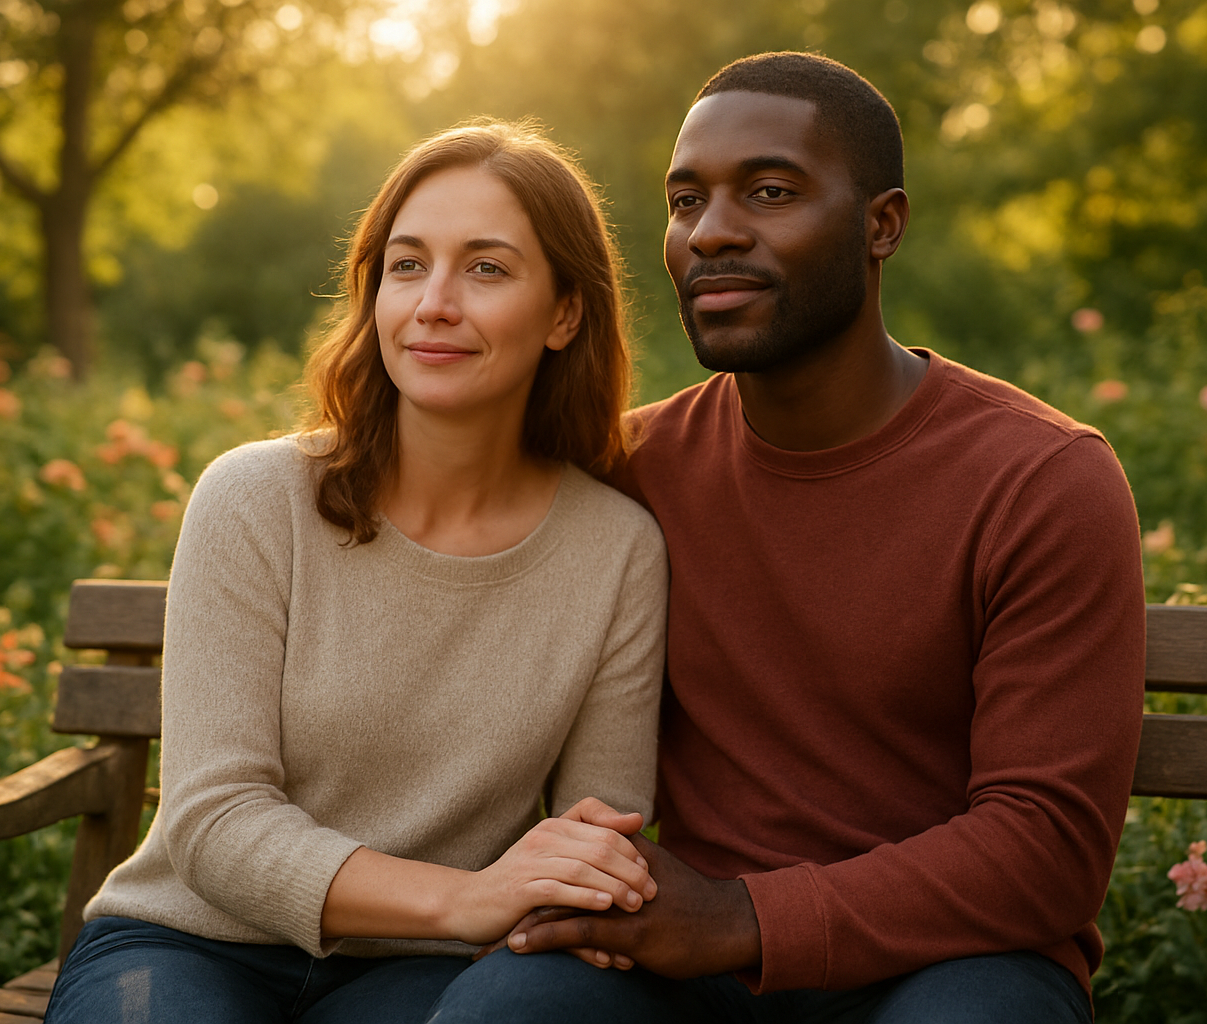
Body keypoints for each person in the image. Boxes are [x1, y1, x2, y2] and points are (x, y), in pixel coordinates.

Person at [426, 53, 1146, 1023]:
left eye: (770, 192)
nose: (712, 231)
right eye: (686, 201)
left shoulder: (1041, 479)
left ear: (881, 224)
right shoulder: (632, 465)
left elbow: (1046, 848)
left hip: (949, 964)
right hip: (685, 958)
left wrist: (744, 915)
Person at [43, 120, 669, 1024]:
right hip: (191, 939)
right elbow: (214, 820)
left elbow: (595, 834)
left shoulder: (616, 551)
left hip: (428, 972)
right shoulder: (256, 498)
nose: (434, 303)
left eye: (486, 269)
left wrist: (505, 908)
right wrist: (463, 897)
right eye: (407, 265)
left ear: (566, 312)